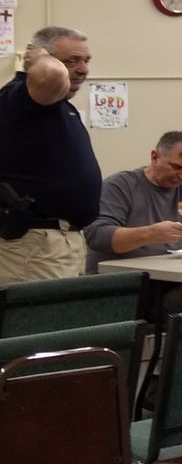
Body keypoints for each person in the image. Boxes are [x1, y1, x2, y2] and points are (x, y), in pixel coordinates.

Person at [85, 130, 182, 312]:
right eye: (177, 167)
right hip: (127, 287)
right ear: (155, 157)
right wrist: (149, 234)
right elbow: (98, 236)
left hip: (178, 282)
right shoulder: (120, 186)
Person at [0, 25, 100, 284]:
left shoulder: (58, 106)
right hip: (34, 245)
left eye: (86, 60)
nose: (83, 69)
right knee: (41, 324)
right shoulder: (23, 98)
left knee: (65, 323)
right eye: (72, 61)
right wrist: (38, 58)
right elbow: (51, 75)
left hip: (64, 242)